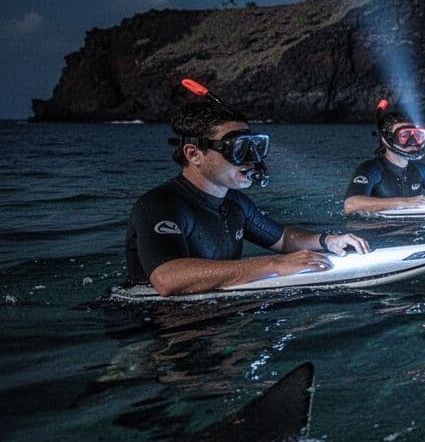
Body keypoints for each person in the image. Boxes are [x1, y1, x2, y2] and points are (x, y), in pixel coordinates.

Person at [125, 100, 370, 296]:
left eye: (254, 146)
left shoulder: (236, 204)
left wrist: (328, 240)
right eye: (239, 148)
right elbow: (166, 278)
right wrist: (274, 265)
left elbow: (283, 239)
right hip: (155, 330)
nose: (252, 159)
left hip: (214, 317)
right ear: (194, 154)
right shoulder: (161, 204)